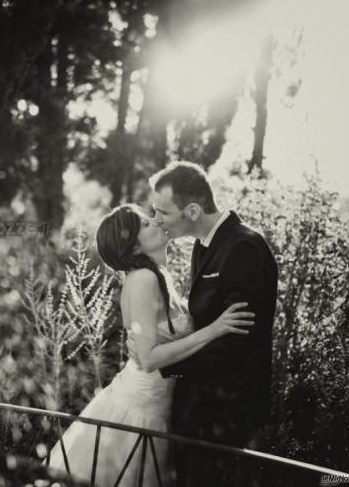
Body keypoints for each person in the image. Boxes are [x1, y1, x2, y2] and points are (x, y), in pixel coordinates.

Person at [47, 203, 255, 486]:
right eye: (146, 224)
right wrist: (215, 330)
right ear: (133, 248)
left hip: (158, 405)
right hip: (139, 411)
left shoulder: (156, 276)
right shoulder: (144, 279)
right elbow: (148, 358)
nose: (157, 222)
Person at [147, 161, 278, 487]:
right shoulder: (202, 246)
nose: (156, 220)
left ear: (192, 211)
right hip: (198, 407)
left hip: (223, 412)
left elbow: (238, 338)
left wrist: (172, 361)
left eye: (163, 212)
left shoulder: (243, 248)